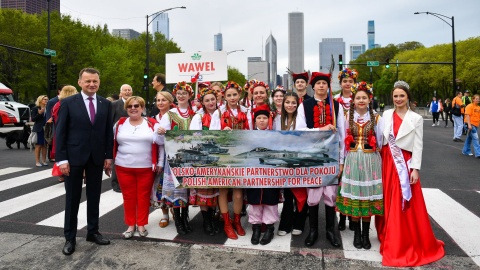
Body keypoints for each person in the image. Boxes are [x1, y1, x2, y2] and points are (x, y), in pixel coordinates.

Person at [375, 80, 444, 267]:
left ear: (408, 97)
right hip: (387, 160)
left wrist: (415, 168)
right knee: (388, 198)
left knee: (402, 200)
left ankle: (400, 239)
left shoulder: (416, 118)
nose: (398, 99)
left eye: (401, 96)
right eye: (395, 96)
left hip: (403, 163)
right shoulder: (386, 113)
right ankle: (388, 232)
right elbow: (381, 138)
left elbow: (418, 145)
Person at [55, 67, 114, 256]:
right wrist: (62, 159)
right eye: (88, 81)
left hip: (96, 158)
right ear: (80, 82)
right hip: (73, 158)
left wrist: (108, 156)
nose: (91, 84)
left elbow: (107, 133)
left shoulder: (106, 104)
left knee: (95, 197)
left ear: (99, 82)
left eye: (95, 81)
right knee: (72, 199)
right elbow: (60, 132)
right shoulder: (68, 103)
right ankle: (70, 238)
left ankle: (93, 232)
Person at [296, 72, 345, 247]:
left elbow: (342, 134)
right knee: (313, 195)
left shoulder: (337, 106)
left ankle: (331, 231)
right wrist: (321, 129)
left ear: (328, 86)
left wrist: (341, 161)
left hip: (331, 157)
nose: (322, 86)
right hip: (312, 156)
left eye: (324, 83)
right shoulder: (305, 106)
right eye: (318, 83)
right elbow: (300, 130)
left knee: (331, 195)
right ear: (313, 86)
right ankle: (313, 231)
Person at [335, 82, 384, 250]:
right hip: (353, 160)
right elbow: (342, 140)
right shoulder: (347, 117)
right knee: (356, 196)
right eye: (358, 98)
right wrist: (341, 162)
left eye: (364, 97)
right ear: (353, 100)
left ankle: (365, 234)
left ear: (370, 99)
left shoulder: (377, 117)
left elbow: (381, 141)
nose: (361, 100)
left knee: (367, 196)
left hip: (371, 162)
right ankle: (357, 233)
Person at [114, 96, 162, 239]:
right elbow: (111, 142)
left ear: (142, 108)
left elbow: (161, 143)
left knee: (143, 197)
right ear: (126, 109)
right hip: (123, 166)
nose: (133, 108)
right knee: (128, 197)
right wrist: (109, 160)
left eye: (136, 106)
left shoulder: (152, 123)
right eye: (130, 106)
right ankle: (130, 225)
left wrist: (159, 162)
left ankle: (141, 224)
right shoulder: (120, 123)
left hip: (146, 167)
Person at [159, 81, 196, 235]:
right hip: (174, 157)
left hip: (190, 157)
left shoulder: (195, 114)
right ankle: (178, 220)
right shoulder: (170, 114)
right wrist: (161, 131)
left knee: (186, 187)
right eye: (179, 93)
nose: (181, 96)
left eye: (184, 93)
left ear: (189, 96)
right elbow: (159, 138)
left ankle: (185, 217)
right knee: (176, 189)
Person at [218, 81, 251, 239]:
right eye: (229, 95)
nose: (232, 98)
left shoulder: (246, 112)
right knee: (223, 190)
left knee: (238, 193)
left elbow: (251, 132)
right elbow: (211, 134)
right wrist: (221, 132)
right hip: (224, 156)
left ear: (239, 95)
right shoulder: (218, 113)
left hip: (241, 155)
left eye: (234, 95)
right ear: (224, 96)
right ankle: (226, 222)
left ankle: (236, 220)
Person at [189, 86, 221, 235]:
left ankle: (214, 217)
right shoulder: (198, 117)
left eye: (212, 99)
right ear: (202, 102)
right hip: (203, 156)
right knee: (203, 189)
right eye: (207, 100)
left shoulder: (222, 114)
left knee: (216, 189)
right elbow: (192, 137)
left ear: (216, 100)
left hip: (219, 156)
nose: (210, 102)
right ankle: (206, 221)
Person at [276, 92, 309, 237]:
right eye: (287, 102)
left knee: (301, 193)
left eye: (293, 102)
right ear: (283, 104)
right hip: (283, 162)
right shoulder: (277, 119)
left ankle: (299, 222)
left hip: (300, 161)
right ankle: (285, 223)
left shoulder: (302, 119)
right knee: (288, 195)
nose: (290, 105)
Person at [247, 104, 280, 245]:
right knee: (254, 200)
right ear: (255, 121)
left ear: (269, 120)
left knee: (270, 200)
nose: (261, 120)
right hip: (254, 175)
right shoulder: (248, 136)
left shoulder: (275, 135)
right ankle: (256, 227)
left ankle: (269, 228)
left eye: (264, 118)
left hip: (270, 174)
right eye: (259, 118)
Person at [335, 67, 358, 232]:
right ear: (340, 83)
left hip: (356, 146)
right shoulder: (335, 100)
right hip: (339, 145)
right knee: (341, 183)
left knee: (354, 181)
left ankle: (352, 215)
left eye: (350, 81)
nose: (347, 84)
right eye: (345, 81)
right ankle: (342, 216)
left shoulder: (360, 99)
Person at [152, 91, 175, 228]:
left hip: (173, 154)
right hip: (160, 156)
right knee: (159, 185)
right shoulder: (153, 119)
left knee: (174, 185)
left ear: (170, 102)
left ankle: (176, 210)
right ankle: (165, 214)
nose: (160, 103)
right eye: (158, 100)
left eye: (163, 100)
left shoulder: (175, 117)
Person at [50, 85, 78, 182]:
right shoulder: (64, 105)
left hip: (58, 132)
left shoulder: (57, 104)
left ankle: (63, 174)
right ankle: (64, 174)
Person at [110, 84, 133, 193]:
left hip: (133, 136)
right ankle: (116, 183)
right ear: (121, 92)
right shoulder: (114, 104)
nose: (127, 92)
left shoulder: (135, 103)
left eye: (129, 90)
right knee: (117, 160)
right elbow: (110, 121)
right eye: (125, 90)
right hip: (117, 136)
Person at [46, 84, 65, 161]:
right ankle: (51, 155)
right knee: (51, 139)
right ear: (59, 91)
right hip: (53, 123)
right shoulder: (52, 101)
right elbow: (49, 113)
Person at [31, 95, 49, 167]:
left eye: (47, 99)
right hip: (39, 128)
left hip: (47, 128)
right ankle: (37, 161)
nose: (46, 101)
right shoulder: (36, 108)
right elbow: (33, 119)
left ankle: (44, 160)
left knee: (45, 145)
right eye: (44, 99)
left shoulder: (48, 108)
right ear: (40, 100)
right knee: (38, 145)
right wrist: (39, 113)